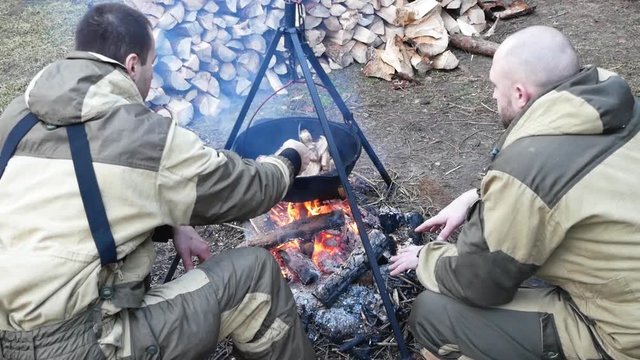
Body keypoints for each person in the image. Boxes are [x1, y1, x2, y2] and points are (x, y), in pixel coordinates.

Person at [0, 3, 316, 360]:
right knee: (256, 276)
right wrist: (290, 158)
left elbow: (71, 199)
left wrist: (170, 222)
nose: (151, 77)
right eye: (152, 65)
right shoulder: (140, 135)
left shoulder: (17, 117)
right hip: (80, 343)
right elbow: (247, 189)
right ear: (133, 64)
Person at [389, 25, 640, 360]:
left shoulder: (527, 168)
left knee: (432, 313)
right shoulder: (619, 109)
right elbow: (568, 178)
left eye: (496, 86)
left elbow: (482, 282)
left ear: (521, 94)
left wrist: (425, 258)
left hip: (621, 337)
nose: (493, 95)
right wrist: (476, 196)